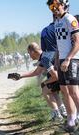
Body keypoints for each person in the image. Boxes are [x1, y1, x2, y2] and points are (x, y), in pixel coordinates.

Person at [9, 43, 66, 122]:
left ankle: (57, 115)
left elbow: (55, 76)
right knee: (51, 89)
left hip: (65, 78)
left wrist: (44, 83)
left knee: (45, 90)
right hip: (65, 75)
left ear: (32, 52)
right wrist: (20, 76)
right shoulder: (45, 55)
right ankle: (63, 111)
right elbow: (36, 72)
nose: (29, 55)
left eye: (29, 53)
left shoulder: (44, 58)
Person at [47, 0, 79, 132]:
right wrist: (56, 61)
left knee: (74, 92)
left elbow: (77, 42)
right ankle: (71, 121)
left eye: (56, 5)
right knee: (66, 92)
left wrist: (68, 59)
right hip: (61, 60)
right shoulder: (56, 22)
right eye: (51, 7)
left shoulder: (70, 19)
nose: (54, 9)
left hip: (71, 60)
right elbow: (60, 44)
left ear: (64, 4)